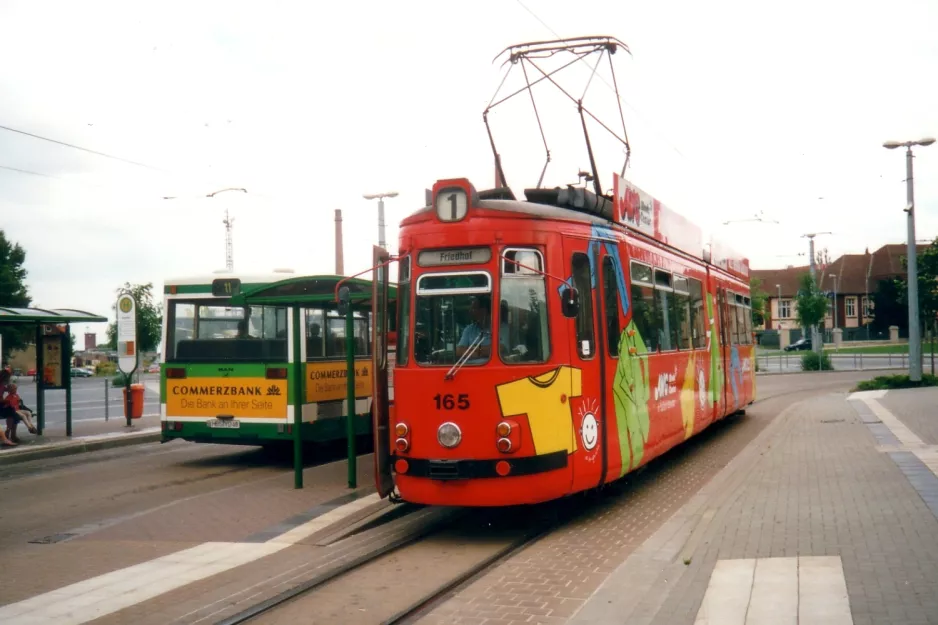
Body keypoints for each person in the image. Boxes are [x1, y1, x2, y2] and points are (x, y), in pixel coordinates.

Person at [0, 369, 20, 447]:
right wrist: (6, 400)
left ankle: (8, 434)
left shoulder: (2, 385)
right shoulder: (1, 386)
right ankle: (10, 434)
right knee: (12, 411)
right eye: (8, 378)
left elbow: (7, 389)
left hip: (2, 405)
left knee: (13, 412)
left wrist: (11, 387)